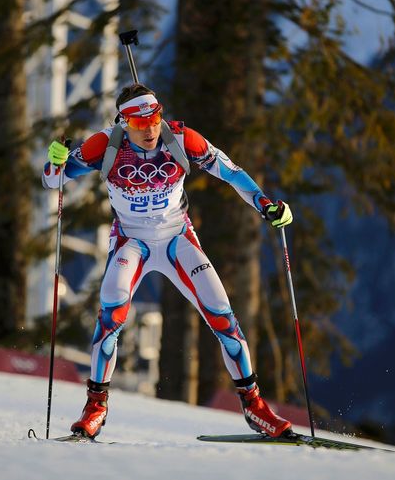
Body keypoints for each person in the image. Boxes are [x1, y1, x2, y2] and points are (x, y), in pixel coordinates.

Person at [43, 83, 294, 439]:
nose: (148, 129)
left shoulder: (180, 138)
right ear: (122, 122)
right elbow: (53, 181)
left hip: (176, 238)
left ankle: (255, 408)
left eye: (154, 118)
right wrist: (54, 162)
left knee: (223, 317)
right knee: (110, 313)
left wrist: (266, 204)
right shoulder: (105, 145)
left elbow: (232, 172)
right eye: (137, 122)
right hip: (132, 241)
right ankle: (95, 407)